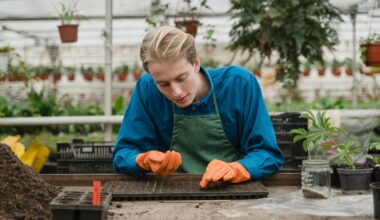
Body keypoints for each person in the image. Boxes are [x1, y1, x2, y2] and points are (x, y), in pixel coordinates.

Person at [113, 26, 283, 188]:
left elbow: (267, 153)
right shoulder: (147, 89)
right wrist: (142, 160)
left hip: (232, 194)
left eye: (181, 78)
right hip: (171, 194)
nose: (176, 92)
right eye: (163, 84)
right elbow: (123, 153)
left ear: (195, 63)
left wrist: (239, 169)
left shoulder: (239, 84)